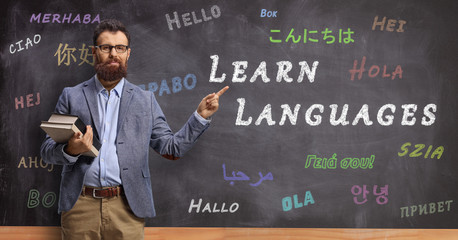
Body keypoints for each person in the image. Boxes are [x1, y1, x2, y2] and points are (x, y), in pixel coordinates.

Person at [41, 19, 228, 240]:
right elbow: (47, 150)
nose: (113, 54)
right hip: (79, 207)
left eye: (120, 48)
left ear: (128, 53)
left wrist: (199, 117)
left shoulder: (145, 100)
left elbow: (171, 148)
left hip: (127, 207)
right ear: (94, 52)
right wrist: (71, 149)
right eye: (106, 47)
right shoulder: (71, 96)